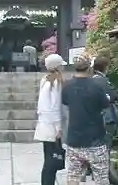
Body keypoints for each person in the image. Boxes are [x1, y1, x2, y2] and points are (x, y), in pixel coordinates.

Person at [62, 54, 115, 185]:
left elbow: (65, 103)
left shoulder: (67, 86)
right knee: (101, 177)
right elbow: (105, 104)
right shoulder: (96, 86)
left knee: (73, 176)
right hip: (95, 139)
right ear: (89, 68)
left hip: (74, 139)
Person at [82, 56, 118, 184]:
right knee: (105, 152)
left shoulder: (90, 80)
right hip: (106, 119)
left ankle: (93, 172)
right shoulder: (101, 81)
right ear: (106, 67)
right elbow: (114, 96)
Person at [34, 53, 68, 185]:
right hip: (51, 125)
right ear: (57, 66)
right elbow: (53, 106)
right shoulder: (55, 82)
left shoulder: (46, 80)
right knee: (51, 161)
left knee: (49, 158)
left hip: (45, 124)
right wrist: (58, 127)